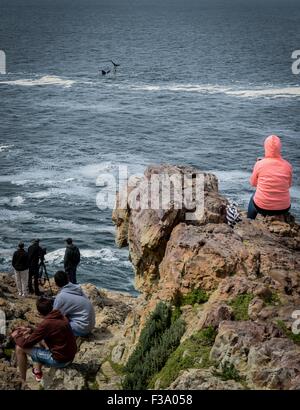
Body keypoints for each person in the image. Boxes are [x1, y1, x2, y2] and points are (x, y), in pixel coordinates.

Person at [12, 297, 77, 382]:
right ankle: (37, 371)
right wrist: (31, 330)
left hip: (60, 360)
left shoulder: (47, 323)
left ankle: (22, 381)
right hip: (70, 356)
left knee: (19, 348)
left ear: (39, 313)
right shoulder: (61, 316)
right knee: (40, 340)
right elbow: (46, 331)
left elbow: (25, 344)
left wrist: (15, 336)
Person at [247, 135, 293, 220]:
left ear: (266, 147)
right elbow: (289, 185)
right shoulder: (288, 166)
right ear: (279, 148)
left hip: (262, 207)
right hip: (284, 208)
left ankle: (249, 221)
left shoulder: (259, 164)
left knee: (252, 198)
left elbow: (253, 183)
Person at [53, 271, 95, 337]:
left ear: (56, 284)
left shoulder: (61, 297)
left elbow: (54, 317)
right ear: (68, 279)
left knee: (55, 325)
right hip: (90, 325)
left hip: (82, 329)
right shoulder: (78, 289)